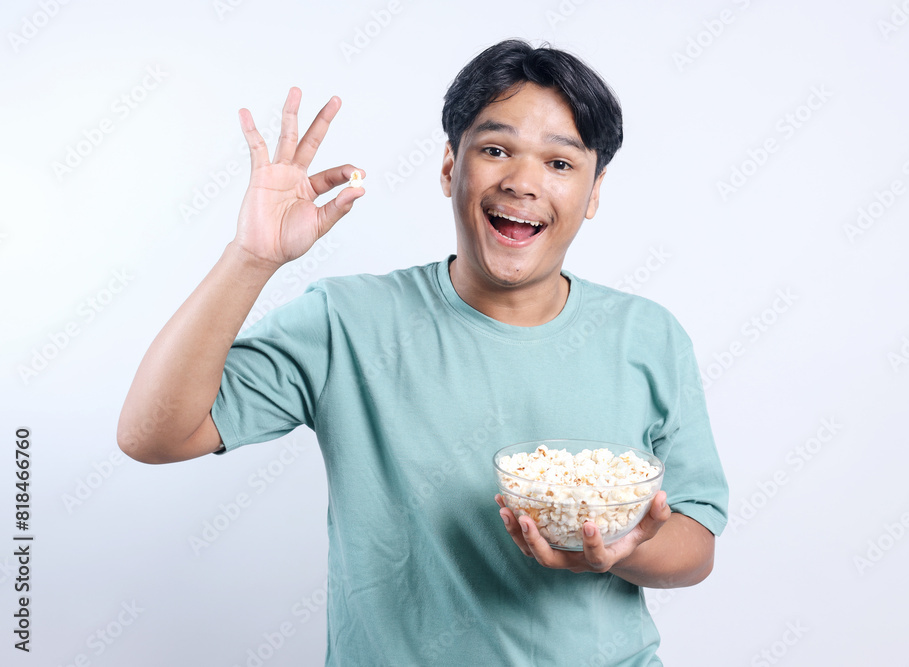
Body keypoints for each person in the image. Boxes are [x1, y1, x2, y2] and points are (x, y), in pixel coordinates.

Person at [118, 39, 728, 666]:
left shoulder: (648, 337)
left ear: (594, 193)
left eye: (560, 164)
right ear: (448, 167)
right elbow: (152, 434)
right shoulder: (348, 323)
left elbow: (696, 543)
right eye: (495, 150)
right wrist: (251, 258)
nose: (522, 182)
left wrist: (625, 549)